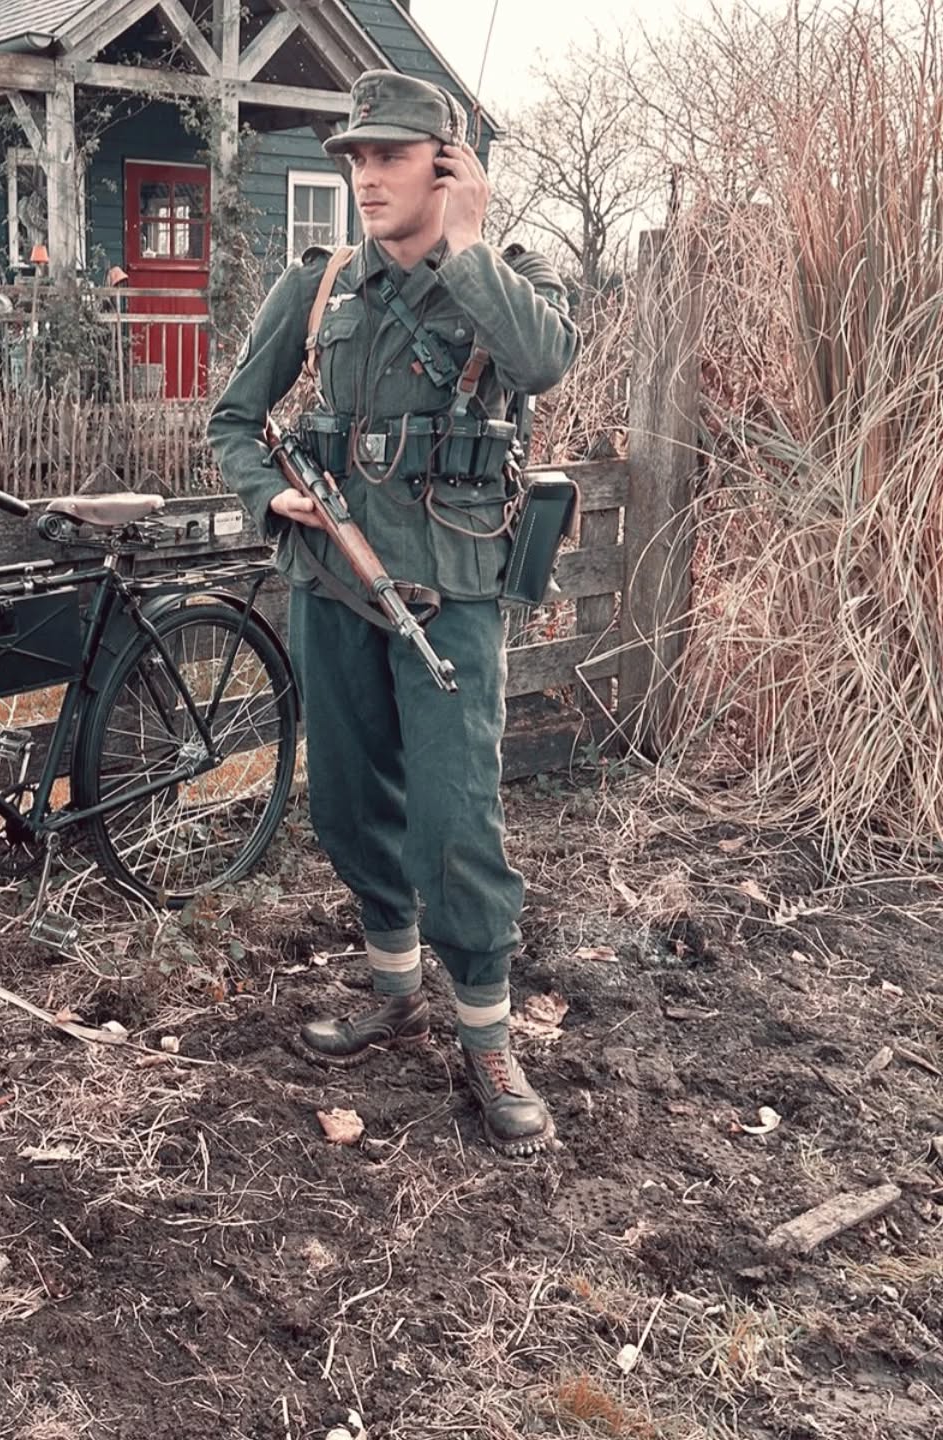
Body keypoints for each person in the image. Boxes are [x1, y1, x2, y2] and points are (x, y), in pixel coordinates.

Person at [207, 70, 580, 1157]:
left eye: (391, 155)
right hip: (334, 587)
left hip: (454, 595)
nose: (367, 176)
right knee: (345, 800)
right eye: (356, 158)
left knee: (458, 820)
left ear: (449, 165)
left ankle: (486, 1035)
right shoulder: (319, 286)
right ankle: (395, 988)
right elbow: (234, 417)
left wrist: (467, 246)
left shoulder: (509, 280)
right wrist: (263, 491)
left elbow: (546, 360)